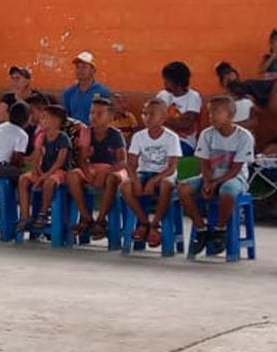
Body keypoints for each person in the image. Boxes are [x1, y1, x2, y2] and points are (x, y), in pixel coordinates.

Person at [180, 96, 255, 258]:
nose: (211, 116)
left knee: (227, 190)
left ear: (230, 115)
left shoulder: (244, 136)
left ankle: (220, 230)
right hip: (210, 177)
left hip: (235, 178)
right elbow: (204, 163)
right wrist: (207, 181)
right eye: (209, 112)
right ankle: (202, 229)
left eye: (216, 112)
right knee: (183, 188)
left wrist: (215, 184)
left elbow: (236, 169)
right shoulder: (207, 134)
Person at [121, 98, 181, 247]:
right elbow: (131, 164)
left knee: (166, 186)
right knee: (125, 186)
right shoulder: (139, 136)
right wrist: (135, 180)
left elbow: (172, 167)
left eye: (151, 114)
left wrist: (154, 181)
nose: (147, 117)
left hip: (164, 174)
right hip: (144, 173)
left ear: (163, 117)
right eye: (144, 113)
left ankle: (155, 224)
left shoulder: (171, 138)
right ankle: (144, 222)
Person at [66, 97, 128, 240]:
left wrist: (106, 172)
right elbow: (82, 160)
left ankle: (100, 220)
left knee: (112, 179)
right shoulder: (86, 133)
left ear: (110, 117)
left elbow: (122, 161)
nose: (94, 117)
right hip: (92, 168)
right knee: (73, 175)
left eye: (99, 114)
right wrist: (88, 174)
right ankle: (86, 217)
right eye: (92, 113)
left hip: (112, 169)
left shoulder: (115, 134)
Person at [17, 104, 72, 234]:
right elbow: (37, 158)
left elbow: (59, 162)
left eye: (44, 118)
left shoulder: (63, 138)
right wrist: (38, 171)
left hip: (58, 171)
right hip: (42, 170)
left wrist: (44, 176)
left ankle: (43, 212)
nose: (41, 121)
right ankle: (25, 215)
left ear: (56, 121)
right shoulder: (41, 137)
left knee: (49, 182)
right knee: (23, 179)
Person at [154, 61, 202, 156]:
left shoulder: (193, 97)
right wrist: (175, 122)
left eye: (167, 80)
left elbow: (186, 124)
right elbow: (153, 120)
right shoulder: (162, 95)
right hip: (162, 138)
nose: (164, 83)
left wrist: (162, 118)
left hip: (184, 141)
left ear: (178, 82)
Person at [61, 51, 112, 122]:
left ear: (93, 70)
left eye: (84, 67)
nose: (80, 70)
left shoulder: (102, 92)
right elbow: (65, 116)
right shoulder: (69, 92)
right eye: (78, 67)